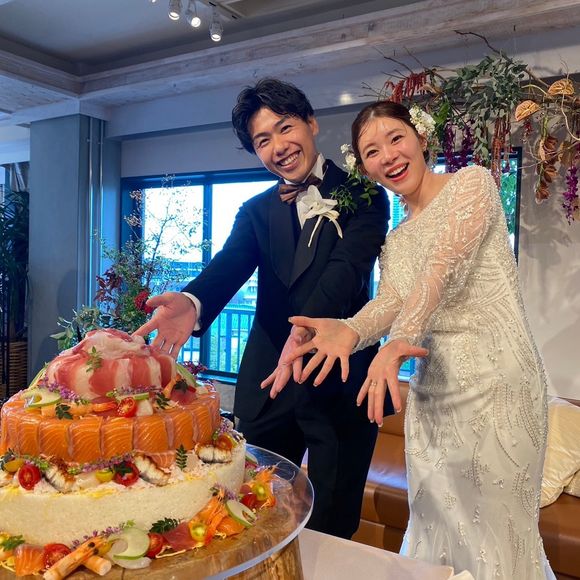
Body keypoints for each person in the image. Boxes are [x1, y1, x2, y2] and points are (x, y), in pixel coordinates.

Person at [284, 101, 555, 579]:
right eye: (372, 151)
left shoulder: (472, 183)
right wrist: (351, 329)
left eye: (395, 138)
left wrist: (399, 340)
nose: (388, 155)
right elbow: (390, 301)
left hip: (498, 383)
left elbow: (440, 268)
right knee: (437, 523)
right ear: (365, 167)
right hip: (434, 394)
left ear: (420, 138)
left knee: (497, 532)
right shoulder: (397, 237)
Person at [135, 78, 391, 539]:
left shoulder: (366, 195)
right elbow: (230, 263)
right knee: (252, 512)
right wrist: (193, 300)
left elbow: (346, 270)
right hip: (269, 381)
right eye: (262, 140)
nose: (278, 147)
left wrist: (304, 329)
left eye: (285, 128)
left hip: (338, 380)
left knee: (333, 524)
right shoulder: (255, 211)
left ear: (311, 123)